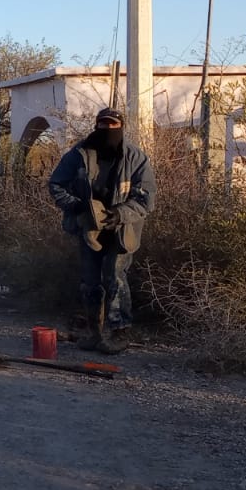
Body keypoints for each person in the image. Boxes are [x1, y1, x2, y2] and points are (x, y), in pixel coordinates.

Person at [47, 107, 155, 354]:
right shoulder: (79, 154)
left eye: (112, 125)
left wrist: (119, 214)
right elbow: (56, 184)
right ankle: (95, 333)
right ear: (96, 126)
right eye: (103, 125)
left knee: (115, 277)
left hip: (121, 229)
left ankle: (119, 333)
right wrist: (78, 207)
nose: (107, 130)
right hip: (88, 227)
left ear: (121, 127)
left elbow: (145, 200)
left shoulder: (136, 158)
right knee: (90, 281)